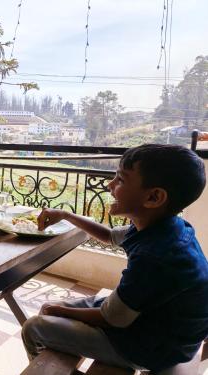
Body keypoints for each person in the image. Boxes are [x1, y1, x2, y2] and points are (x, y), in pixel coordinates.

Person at [22, 144, 208, 372]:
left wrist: (59, 312)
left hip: (152, 346)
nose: (110, 185)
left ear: (154, 197)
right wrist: (65, 215)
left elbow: (113, 319)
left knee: (35, 327)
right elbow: (109, 235)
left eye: (120, 179)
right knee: (52, 308)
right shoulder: (164, 227)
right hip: (149, 320)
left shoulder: (156, 256)